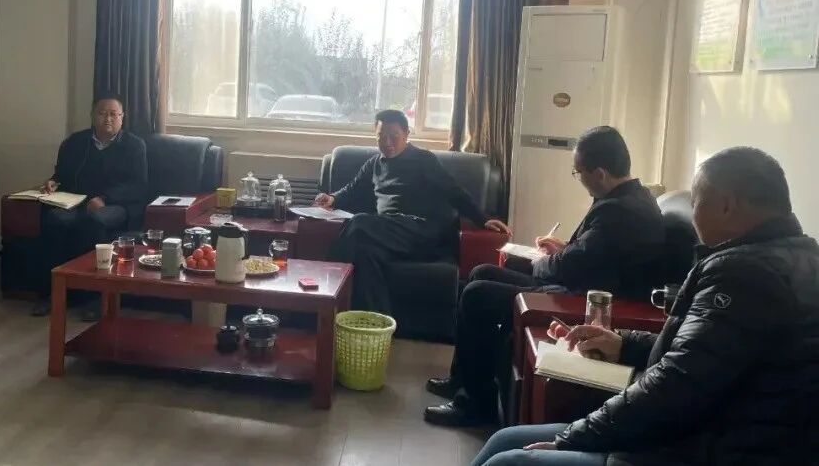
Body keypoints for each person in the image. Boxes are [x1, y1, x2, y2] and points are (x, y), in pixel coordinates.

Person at [469, 146, 819, 466]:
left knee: (511, 461)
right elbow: (703, 354)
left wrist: (571, 439)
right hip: (703, 434)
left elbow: (675, 387)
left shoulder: (744, 274)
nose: (694, 216)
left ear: (726, 206)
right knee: (505, 439)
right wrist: (623, 343)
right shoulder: (799, 257)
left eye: (698, 201)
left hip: (707, 449)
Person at [426, 126, 667, 427]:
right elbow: (595, 253)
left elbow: (569, 267)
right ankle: (461, 380)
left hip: (584, 297)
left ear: (600, 174)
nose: (579, 179)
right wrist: (564, 248)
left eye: (578, 172)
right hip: (582, 282)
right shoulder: (631, 197)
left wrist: (541, 261)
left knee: (477, 294)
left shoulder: (621, 211)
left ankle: (475, 405)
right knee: (480, 272)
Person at [313, 109, 509, 315]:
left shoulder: (423, 160)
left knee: (359, 222)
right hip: (388, 233)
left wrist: (483, 219)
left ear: (406, 134)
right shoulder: (374, 164)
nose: (387, 142)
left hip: (422, 229)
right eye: (381, 137)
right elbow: (352, 188)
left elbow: (454, 191)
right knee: (365, 253)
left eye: (394, 136)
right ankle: (377, 321)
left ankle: (325, 290)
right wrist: (332, 198)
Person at [31, 94, 147, 318]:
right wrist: (53, 182)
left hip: (116, 206)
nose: (108, 119)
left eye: (113, 114)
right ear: (93, 116)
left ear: (122, 117)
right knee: (54, 219)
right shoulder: (76, 142)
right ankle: (52, 294)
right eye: (102, 113)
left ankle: (96, 298)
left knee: (95, 220)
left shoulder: (134, 146)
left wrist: (105, 198)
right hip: (78, 202)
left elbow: (138, 185)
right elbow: (62, 174)